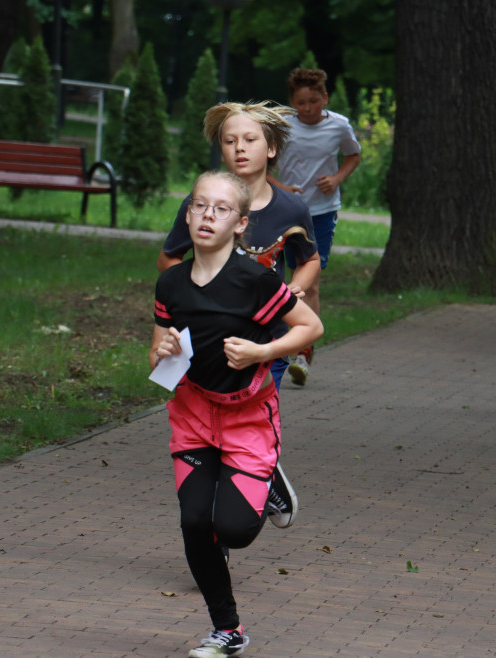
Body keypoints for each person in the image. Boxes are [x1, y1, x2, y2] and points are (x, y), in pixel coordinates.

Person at [151, 171, 324, 656]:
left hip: (247, 416)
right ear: (188, 215)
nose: (208, 215)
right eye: (200, 206)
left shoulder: (255, 280)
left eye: (221, 209)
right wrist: (162, 349)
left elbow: (311, 327)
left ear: (241, 223)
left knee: (233, 531)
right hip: (192, 413)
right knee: (193, 522)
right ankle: (227, 630)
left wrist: (258, 353)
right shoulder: (170, 283)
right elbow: (156, 359)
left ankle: (269, 480)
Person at [158, 101, 321, 392]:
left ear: (271, 149)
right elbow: (168, 259)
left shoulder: (292, 209)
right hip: (207, 334)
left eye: (249, 140)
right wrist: (191, 293)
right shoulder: (201, 206)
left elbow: (310, 260)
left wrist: (296, 286)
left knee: (250, 415)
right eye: (230, 141)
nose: (239, 148)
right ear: (222, 151)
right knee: (200, 407)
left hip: (269, 337)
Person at [268, 67, 362, 386]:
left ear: (325, 98)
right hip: (280, 209)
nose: (306, 109)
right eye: (299, 102)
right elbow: (259, 163)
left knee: (309, 280)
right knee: (273, 277)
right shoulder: (281, 125)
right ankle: (275, 342)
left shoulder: (339, 126)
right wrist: (277, 186)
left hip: (320, 212)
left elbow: (353, 155)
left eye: (312, 101)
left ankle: (303, 350)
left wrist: (336, 179)